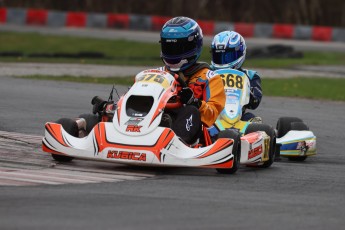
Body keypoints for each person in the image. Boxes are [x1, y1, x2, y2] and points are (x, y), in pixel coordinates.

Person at [158, 16, 226, 145]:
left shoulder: (210, 78)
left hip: (194, 132)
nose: (173, 53)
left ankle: (175, 143)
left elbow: (212, 115)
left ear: (193, 46)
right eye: (169, 47)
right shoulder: (159, 73)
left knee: (190, 110)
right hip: (157, 121)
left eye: (178, 48)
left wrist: (194, 102)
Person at [210, 30, 262, 122]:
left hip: (238, 118)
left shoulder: (250, 76)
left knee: (251, 118)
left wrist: (248, 93)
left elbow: (255, 103)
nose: (223, 61)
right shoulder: (207, 72)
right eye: (219, 56)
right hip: (211, 114)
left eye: (228, 56)